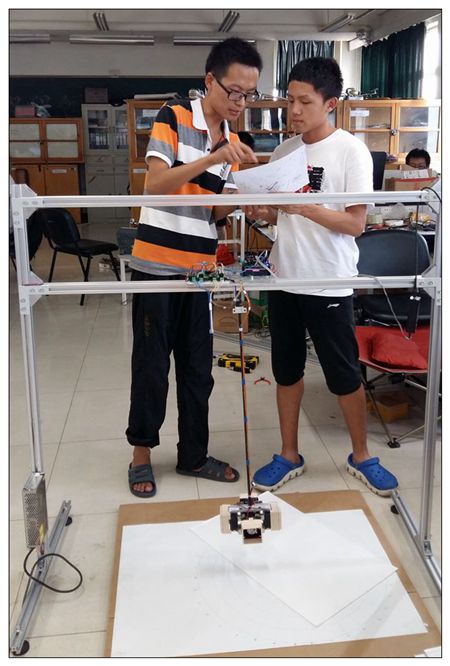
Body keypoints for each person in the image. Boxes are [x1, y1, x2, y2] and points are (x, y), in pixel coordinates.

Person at [244, 57, 398, 497]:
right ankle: (288, 454)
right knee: (286, 370)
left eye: (304, 102)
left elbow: (355, 224)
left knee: (343, 374)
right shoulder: (284, 152)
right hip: (286, 278)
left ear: (330, 103)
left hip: (329, 279)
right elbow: (280, 216)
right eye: (290, 101)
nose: (294, 110)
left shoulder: (350, 151)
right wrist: (263, 210)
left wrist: (305, 207)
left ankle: (362, 456)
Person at [126, 38, 262, 497]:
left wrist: (244, 198)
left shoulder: (235, 141)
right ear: (209, 81)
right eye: (234, 92)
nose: (241, 103)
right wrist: (212, 158)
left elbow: (213, 212)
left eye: (249, 95)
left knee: (198, 369)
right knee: (151, 367)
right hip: (156, 266)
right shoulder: (174, 116)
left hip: (200, 272)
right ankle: (141, 454)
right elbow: (155, 184)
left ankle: (194, 455)